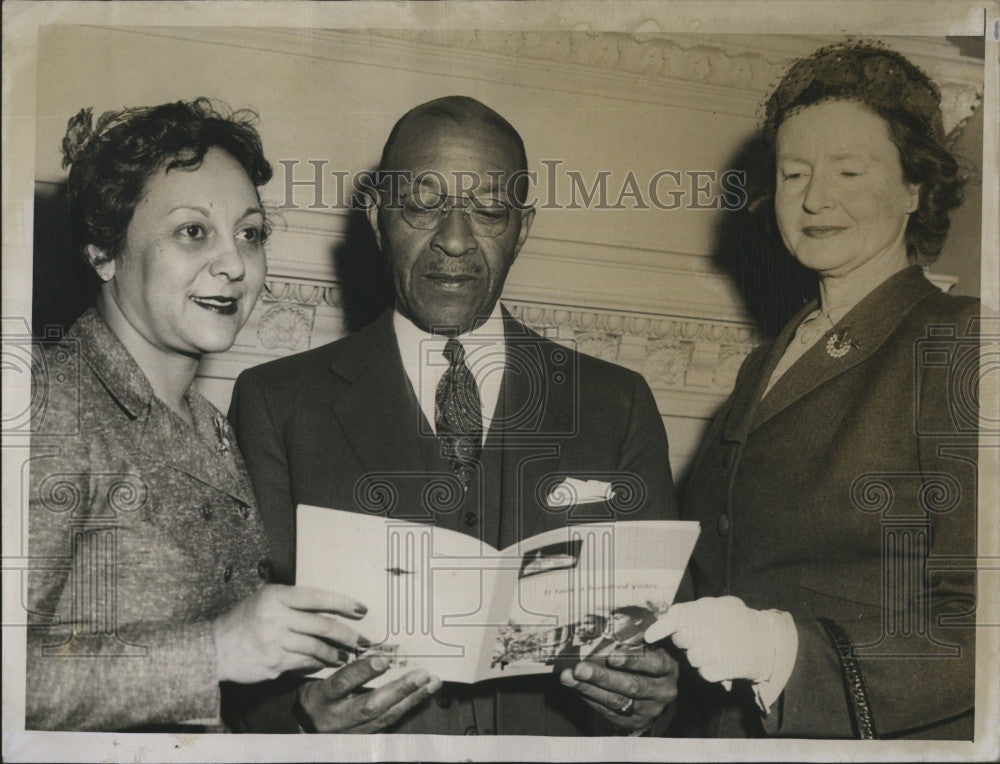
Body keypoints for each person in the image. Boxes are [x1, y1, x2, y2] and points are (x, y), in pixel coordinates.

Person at [228, 95, 680, 735]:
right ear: (378, 216)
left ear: (522, 228)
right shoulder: (277, 402)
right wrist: (302, 719)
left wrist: (651, 700)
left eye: (490, 210)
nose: (456, 239)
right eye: (422, 204)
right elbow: (236, 665)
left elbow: (668, 663)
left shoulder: (617, 403)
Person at [26, 100, 436, 731]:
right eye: (193, 231)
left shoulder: (213, 428)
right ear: (104, 253)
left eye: (250, 233)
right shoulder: (48, 403)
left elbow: (217, 694)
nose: (236, 265)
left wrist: (304, 719)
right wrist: (214, 651)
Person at [645, 41, 978, 739]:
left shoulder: (961, 342)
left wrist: (787, 652)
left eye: (849, 170)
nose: (815, 197)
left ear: (915, 187)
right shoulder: (764, 365)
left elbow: (982, 623)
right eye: (794, 173)